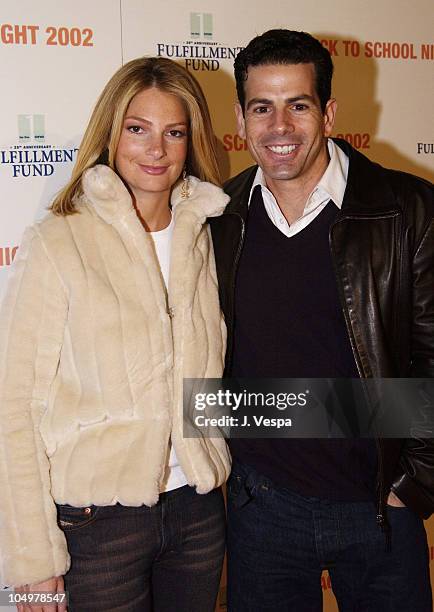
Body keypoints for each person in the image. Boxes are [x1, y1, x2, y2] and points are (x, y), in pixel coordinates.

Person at [209, 29, 434, 611]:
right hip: (263, 511)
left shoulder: (407, 211)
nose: (279, 126)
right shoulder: (216, 220)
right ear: (240, 118)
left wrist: (413, 486)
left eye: (298, 104)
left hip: (378, 506)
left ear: (329, 112)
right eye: (262, 107)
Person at [0, 56, 231, 612]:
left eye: (174, 132)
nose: (156, 150)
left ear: (191, 140)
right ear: (111, 133)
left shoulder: (208, 238)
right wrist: (33, 558)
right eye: (137, 129)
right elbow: (14, 405)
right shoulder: (60, 241)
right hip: (96, 523)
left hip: (196, 514)